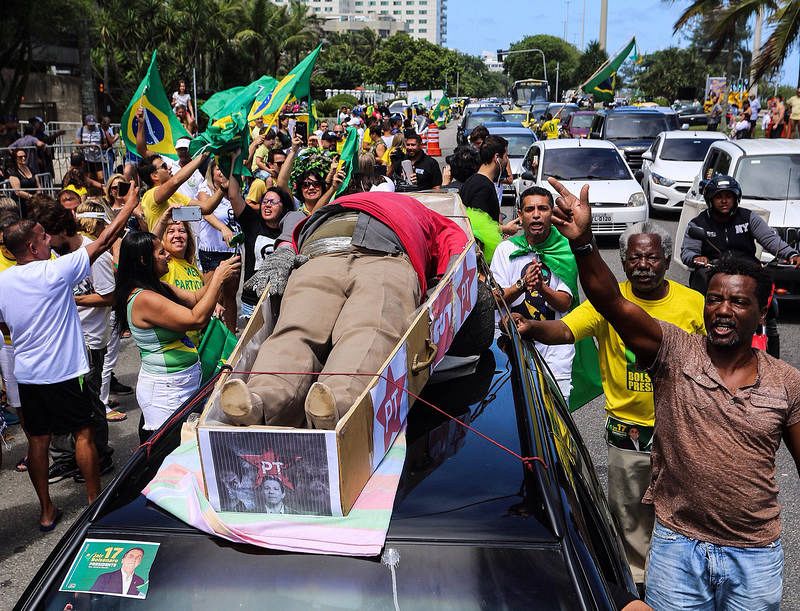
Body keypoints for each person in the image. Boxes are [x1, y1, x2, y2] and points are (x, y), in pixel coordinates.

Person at [546, 174, 800, 610]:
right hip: (677, 548)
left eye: (738, 302)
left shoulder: (787, 382)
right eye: (714, 300)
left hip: (754, 556)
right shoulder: (675, 351)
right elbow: (612, 303)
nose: (722, 310)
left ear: (762, 312)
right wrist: (584, 243)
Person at [514, 220, 705, 583]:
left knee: (682, 512)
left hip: (682, 429)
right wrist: (532, 326)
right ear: (623, 260)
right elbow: (565, 329)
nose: (643, 265)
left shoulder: (693, 303)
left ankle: (677, 582)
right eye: (634, 258)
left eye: (651, 258)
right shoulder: (607, 300)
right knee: (629, 517)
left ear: (666, 261)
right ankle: (638, 586)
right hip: (628, 434)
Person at [219, 191, 468, 430]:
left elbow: (294, 224)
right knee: (369, 331)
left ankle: (261, 398)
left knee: (295, 331)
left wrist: (285, 248)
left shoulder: (339, 203)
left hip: (319, 253)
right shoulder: (426, 214)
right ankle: (336, 402)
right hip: (386, 256)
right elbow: (456, 248)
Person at [0, 183, 138, 530]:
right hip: (65, 373)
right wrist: (128, 206)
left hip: (27, 375)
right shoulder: (55, 271)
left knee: (37, 441)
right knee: (84, 434)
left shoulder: (3, 281)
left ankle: (46, 511)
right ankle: (94, 503)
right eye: (43, 237)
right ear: (32, 247)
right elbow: (104, 240)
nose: (49, 239)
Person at [113, 231, 240, 442]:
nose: (168, 256)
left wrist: (218, 273)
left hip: (179, 385)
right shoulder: (144, 298)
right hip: (165, 393)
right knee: (167, 447)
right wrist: (218, 279)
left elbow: (195, 298)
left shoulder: (158, 286)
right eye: (161, 252)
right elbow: (196, 319)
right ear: (144, 260)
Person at [682, 174, 798, 357]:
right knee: (699, 305)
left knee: (770, 309)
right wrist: (697, 257)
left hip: (747, 274)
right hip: (714, 275)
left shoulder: (748, 217)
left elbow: (770, 239)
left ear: (736, 198)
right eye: (719, 197)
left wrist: (792, 254)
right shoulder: (698, 224)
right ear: (710, 199)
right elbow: (687, 252)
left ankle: (774, 358)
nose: (724, 201)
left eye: (728, 196)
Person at [491, 187, 574, 400]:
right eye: (530, 209)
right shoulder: (506, 250)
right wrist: (522, 284)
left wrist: (542, 288)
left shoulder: (564, 249)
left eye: (543, 208)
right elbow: (495, 299)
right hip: (511, 349)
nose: (536, 215)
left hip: (555, 354)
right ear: (520, 215)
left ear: (552, 213)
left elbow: (565, 303)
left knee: (557, 413)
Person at [227, 170, 305, 320]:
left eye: (273, 202)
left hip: (280, 301)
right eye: (264, 201)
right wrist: (235, 163)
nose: (267, 205)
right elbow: (233, 195)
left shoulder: (291, 230)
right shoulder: (252, 222)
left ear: (284, 206)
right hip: (252, 302)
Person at [195, 158, 240, 332]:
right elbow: (206, 213)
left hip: (232, 250)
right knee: (211, 297)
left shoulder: (234, 190)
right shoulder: (204, 189)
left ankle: (231, 337)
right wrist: (223, 228)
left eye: (224, 168)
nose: (221, 172)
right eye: (218, 169)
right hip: (211, 250)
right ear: (211, 172)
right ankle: (212, 336)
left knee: (230, 296)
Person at [7, 148, 40, 214]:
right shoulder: (13, 172)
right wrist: (31, 197)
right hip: (21, 204)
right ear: (15, 158)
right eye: (20, 157)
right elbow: (18, 192)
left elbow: (38, 185)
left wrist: (38, 195)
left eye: (25, 156)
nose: (23, 158)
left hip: (34, 202)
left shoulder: (31, 169)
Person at [75, 115, 105, 182]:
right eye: (90, 125)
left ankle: (101, 188)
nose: (92, 127)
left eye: (93, 125)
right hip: (86, 159)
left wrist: (98, 146)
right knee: (88, 178)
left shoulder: (100, 130)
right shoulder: (81, 130)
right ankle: (88, 189)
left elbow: (105, 144)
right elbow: (77, 144)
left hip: (98, 158)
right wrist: (87, 145)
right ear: (86, 123)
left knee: (101, 177)